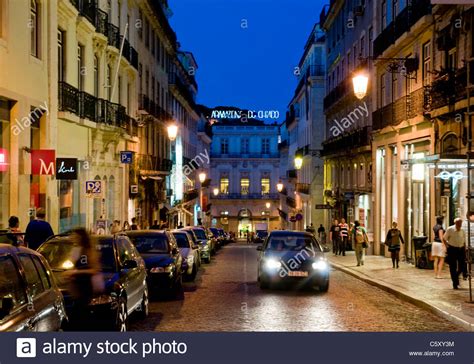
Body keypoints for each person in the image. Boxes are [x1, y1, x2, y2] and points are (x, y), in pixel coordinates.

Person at [66, 228, 103, 329]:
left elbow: (95, 269)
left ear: (81, 238)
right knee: (77, 315)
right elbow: (72, 265)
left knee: (82, 314)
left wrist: (77, 272)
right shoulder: (75, 250)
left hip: (85, 286)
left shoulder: (89, 250)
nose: (72, 238)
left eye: (75, 236)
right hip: (76, 287)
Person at [443, 218, 468, 290]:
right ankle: (455, 282)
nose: (460, 224)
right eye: (458, 223)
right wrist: (447, 246)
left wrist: (465, 249)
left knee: (462, 265)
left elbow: (464, 240)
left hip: (461, 249)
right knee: (452, 266)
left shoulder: (463, 230)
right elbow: (444, 238)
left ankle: (456, 276)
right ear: (455, 223)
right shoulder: (450, 229)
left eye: (461, 222)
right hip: (452, 249)